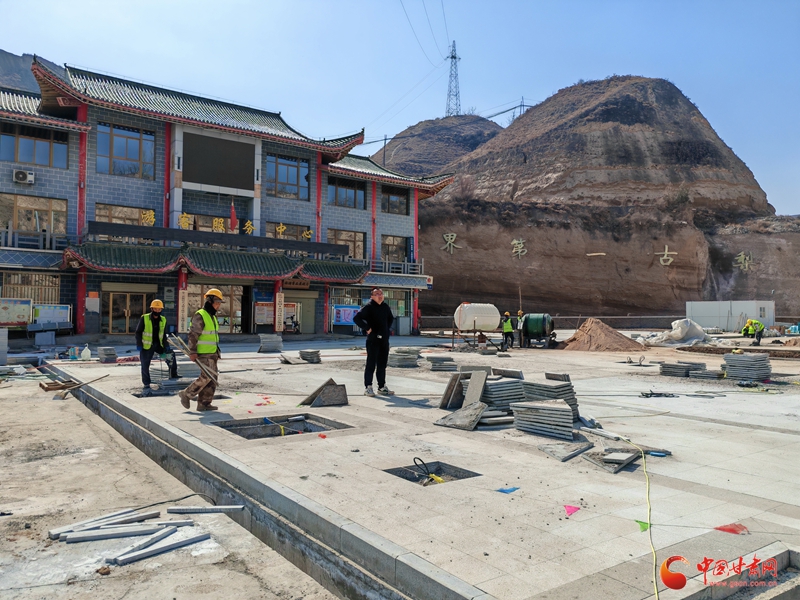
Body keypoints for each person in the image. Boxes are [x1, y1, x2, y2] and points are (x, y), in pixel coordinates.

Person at [179, 288, 222, 411]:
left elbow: (212, 336)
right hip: (203, 353)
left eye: (219, 303)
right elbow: (193, 335)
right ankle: (187, 394)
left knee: (212, 379)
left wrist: (217, 351)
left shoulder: (212, 316)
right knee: (206, 376)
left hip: (212, 352)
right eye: (217, 302)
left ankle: (204, 403)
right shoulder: (201, 315)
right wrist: (192, 351)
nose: (218, 305)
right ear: (209, 301)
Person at [353, 288, 394, 396]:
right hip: (373, 340)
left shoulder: (385, 307)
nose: (380, 296)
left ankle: (382, 387)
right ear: (372, 297)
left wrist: (386, 329)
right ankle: (368, 387)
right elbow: (357, 318)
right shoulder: (368, 307)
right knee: (371, 364)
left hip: (384, 340)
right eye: (377, 294)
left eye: (381, 293)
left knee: (382, 364)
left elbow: (390, 318)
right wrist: (367, 328)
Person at [135, 299, 178, 396]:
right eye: (155, 308)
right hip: (147, 346)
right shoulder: (144, 318)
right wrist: (139, 344)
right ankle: (146, 383)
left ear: (161, 309)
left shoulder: (163, 319)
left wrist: (166, 346)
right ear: (152, 309)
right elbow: (138, 332)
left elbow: (164, 335)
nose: (157, 311)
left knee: (170, 356)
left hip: (159, 345)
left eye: (159, 309)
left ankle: (173, 374)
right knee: (145, 364)